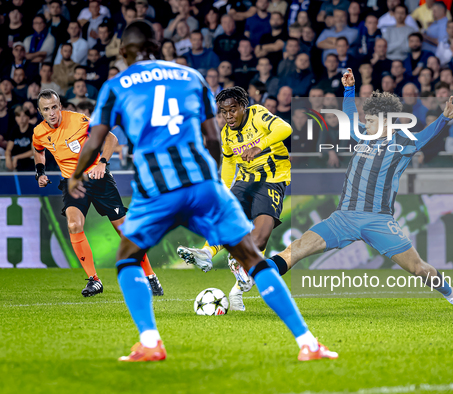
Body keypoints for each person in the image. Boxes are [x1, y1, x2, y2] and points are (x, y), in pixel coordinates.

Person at [68, 21, 336, 362]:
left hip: (157, 187)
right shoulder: (190, 77)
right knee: (252, 258)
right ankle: (308, 343)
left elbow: (95, 139)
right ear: (160, 43)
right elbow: (213, 139)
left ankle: (151, 342)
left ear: (123, 52)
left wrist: (78, 175)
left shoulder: (116, 85)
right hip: (202, 184)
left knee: (127, 258)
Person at [266, 68, 453, 311]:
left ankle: (452, 294)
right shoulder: (362, 134)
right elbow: (350, 114)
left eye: (372, 119)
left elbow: (427, 135)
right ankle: (255, 276)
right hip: (343, 217)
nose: (367, 122)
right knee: (297, 248)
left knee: (418, 268)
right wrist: (349, 89)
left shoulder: (403, 143)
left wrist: (445, 118)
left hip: (378, 220)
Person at [33, 88, 163, 297]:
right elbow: (38, 150)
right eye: (46, 109)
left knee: (125, 232)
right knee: (74, 224)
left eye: (55, 107)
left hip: (98, 177)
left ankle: (150, 276)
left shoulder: (78, 120)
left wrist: (102, 162)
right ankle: (94, 280)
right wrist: (40, 172)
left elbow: (110, 138)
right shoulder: (39, 132)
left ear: (61, 107)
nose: (52, 113)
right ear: (41, 112)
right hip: (73, 182)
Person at [177, 84, 292, 310]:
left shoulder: (258, 114)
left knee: (259, 240)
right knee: (225, 217)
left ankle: (238, 288)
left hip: (272, 179)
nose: (229, 116)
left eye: (233, 110)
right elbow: (229, 162)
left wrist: (259, 145)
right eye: (224, 112)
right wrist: (224, 190)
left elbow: (285, 128)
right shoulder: (226, 134)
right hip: (245, 181)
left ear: (243, 106)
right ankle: (207, 253)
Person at [5, 105, 35, 172]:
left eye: (24, 116)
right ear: (15, 118)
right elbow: (8, 149)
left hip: (30, 163)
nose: (21, 119)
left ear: (28, 117)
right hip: (17, 164)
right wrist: (7, 158)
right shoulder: (14, 130)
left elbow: (34, 151)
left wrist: (17, 157)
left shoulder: (33, 130)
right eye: (18, 116)